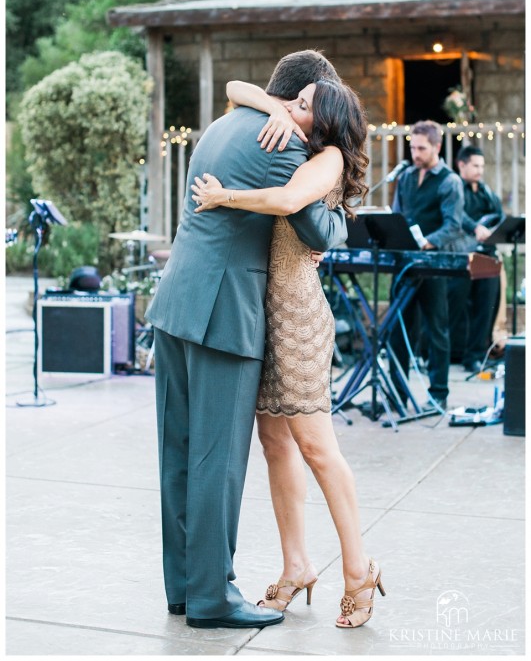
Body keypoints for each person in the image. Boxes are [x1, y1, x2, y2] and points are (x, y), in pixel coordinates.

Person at [145, 50, 349, 630]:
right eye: (314, 105)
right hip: (223, 313)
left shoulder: (219, 124)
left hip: (175, 302)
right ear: (299, 97)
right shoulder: (282, 144)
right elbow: (317, 229)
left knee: (178, 455)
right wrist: (337, 207)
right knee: (219, 458)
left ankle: (183, 589)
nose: (317, 119)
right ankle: (212, 597)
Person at [191, 78, 386, 630]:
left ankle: (359, 570)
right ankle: (296, 564)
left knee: (318, 448)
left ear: (323, 119)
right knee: (275, 442)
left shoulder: (325, 158)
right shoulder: (298, 144)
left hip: (298, 317)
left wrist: (221, 196)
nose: (292, 109)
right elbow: (235, 85)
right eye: (292, 99)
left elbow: (285, 201)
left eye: (303, 104)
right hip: (265, 314)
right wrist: (273, 105)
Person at [388, 120, 464, 410]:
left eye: (421, 148)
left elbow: (453, 227)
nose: (415, 153)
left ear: (437, 147)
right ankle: (398, 396)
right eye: (412, 147)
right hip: (405, 264)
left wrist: (425, 242)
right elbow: (398, 214)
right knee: (397, 330)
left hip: (433, 265)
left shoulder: (449, 180)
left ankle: (438, 395)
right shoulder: (406, 177)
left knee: (437, 330)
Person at [448, 146, 504, 373]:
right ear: (461, 165)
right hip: (460, 256)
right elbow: (454, 215)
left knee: (485, 306)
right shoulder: (454, 188)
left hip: (484, 257)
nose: (480, 170)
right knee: (455, 306)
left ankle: (475, 355)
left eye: (482, 166)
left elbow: (498, 215)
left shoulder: (485, 191)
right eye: (475, 166)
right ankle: (450, 353)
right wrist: (475, 227)